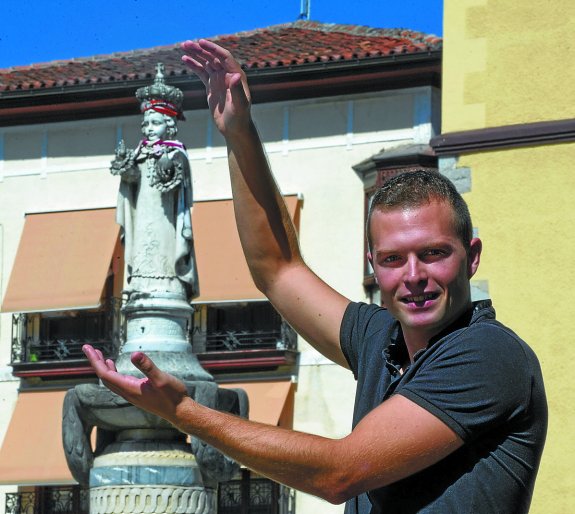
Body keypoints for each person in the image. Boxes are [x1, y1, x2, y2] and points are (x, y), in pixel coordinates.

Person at [84, 40, 547, 513]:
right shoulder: (379, 340)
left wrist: (183, 413)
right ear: (373, 265)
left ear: (471, 257)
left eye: (433, 254)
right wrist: (239, 131)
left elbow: (339, 473)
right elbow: (278, 269)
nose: (413, 276)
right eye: (392, 259)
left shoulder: (487, 354)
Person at [111, 63, 198, 300]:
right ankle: (138, 283)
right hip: (143, 215)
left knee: (163, 248)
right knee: (142, 247)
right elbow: (132, 180)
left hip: (166, 216)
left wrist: (166, 164)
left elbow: (176, 179)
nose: (149, 128)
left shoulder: (176, 151)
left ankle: (170, 282)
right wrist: (125, 165)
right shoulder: (139, 152)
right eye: (146, 124)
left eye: (155, 123)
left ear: (169, 126)